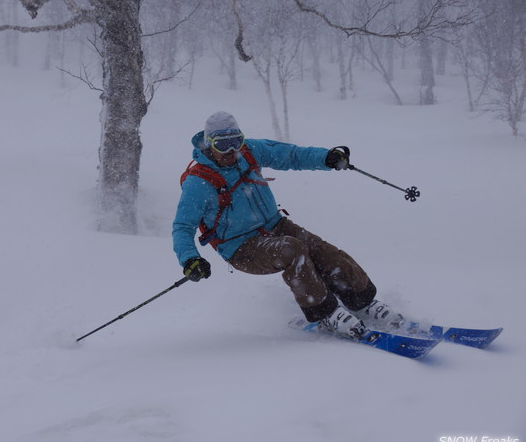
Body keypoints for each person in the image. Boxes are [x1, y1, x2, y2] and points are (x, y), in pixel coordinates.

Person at [172, 111, 404, 339]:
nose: (231, 151)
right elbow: (183, 226)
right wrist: (190, 259)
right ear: (209, 144)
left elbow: (291, 155)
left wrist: (325, 158)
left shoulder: (249, 152)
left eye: (236, 142)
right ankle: (325, 312)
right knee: (293, 250)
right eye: (223, 145)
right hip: (240, 247)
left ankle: (362, 302)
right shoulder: (199, 181)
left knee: (322, 250)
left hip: (275, 225)